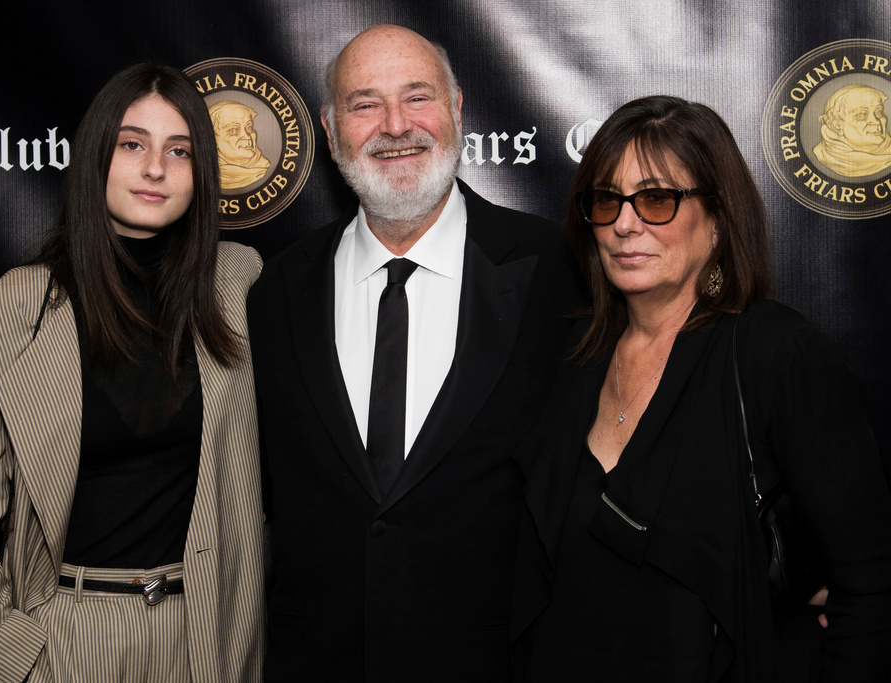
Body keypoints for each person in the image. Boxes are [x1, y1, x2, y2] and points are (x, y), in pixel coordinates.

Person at [510, 95, 891, 682]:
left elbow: (870, 584)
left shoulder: (776, 353)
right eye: (606, 200)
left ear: (717, 219)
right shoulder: (575, 355)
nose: (625, 224)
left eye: (656, 199)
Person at [246, 24, 583, 682]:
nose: (396, 125)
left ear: (455, 109)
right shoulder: (277, 290)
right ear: (331, 130)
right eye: (365, 104)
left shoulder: (561, 273)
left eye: (417, 97)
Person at [0, 64, 264, 683]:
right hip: (71, 639)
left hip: (211, 634)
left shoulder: (239, 285)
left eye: (179, 151)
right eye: (132, 144)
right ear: (95, 155)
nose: (155, 168)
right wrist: (8, 660)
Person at [812, 84, 891, 177]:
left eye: (879, 112)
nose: (876, 121)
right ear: (837, 125)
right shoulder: (823, 155)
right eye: (861, 114)